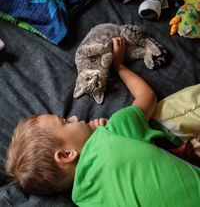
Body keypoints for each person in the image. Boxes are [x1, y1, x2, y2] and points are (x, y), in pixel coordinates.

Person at [4, 37, 200, 206]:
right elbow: (146, 96)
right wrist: (119, 66)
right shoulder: (113, 130)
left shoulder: (83, 200)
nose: (73, 117)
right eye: (65, 122)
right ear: (66, 155)